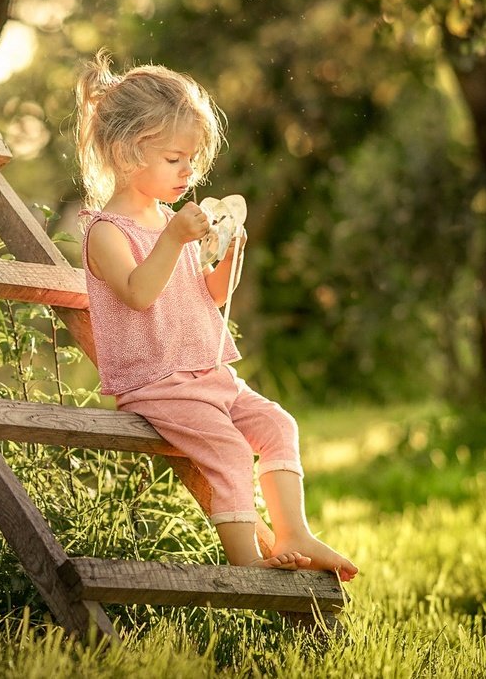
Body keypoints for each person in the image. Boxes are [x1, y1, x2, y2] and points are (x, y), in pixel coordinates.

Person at [75, 50, 357, 580]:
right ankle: (248, 565)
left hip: (210, 373)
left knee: (278, 424)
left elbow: (212, 294)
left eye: (193, 159)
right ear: (126, 152)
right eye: (174, 159)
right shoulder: (106, 232)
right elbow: (139, 294)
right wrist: (174, 238)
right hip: (157, 383)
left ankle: (294, 533)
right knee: (229, 451)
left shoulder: (173, 220)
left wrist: (227, 253)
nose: (189, 171)